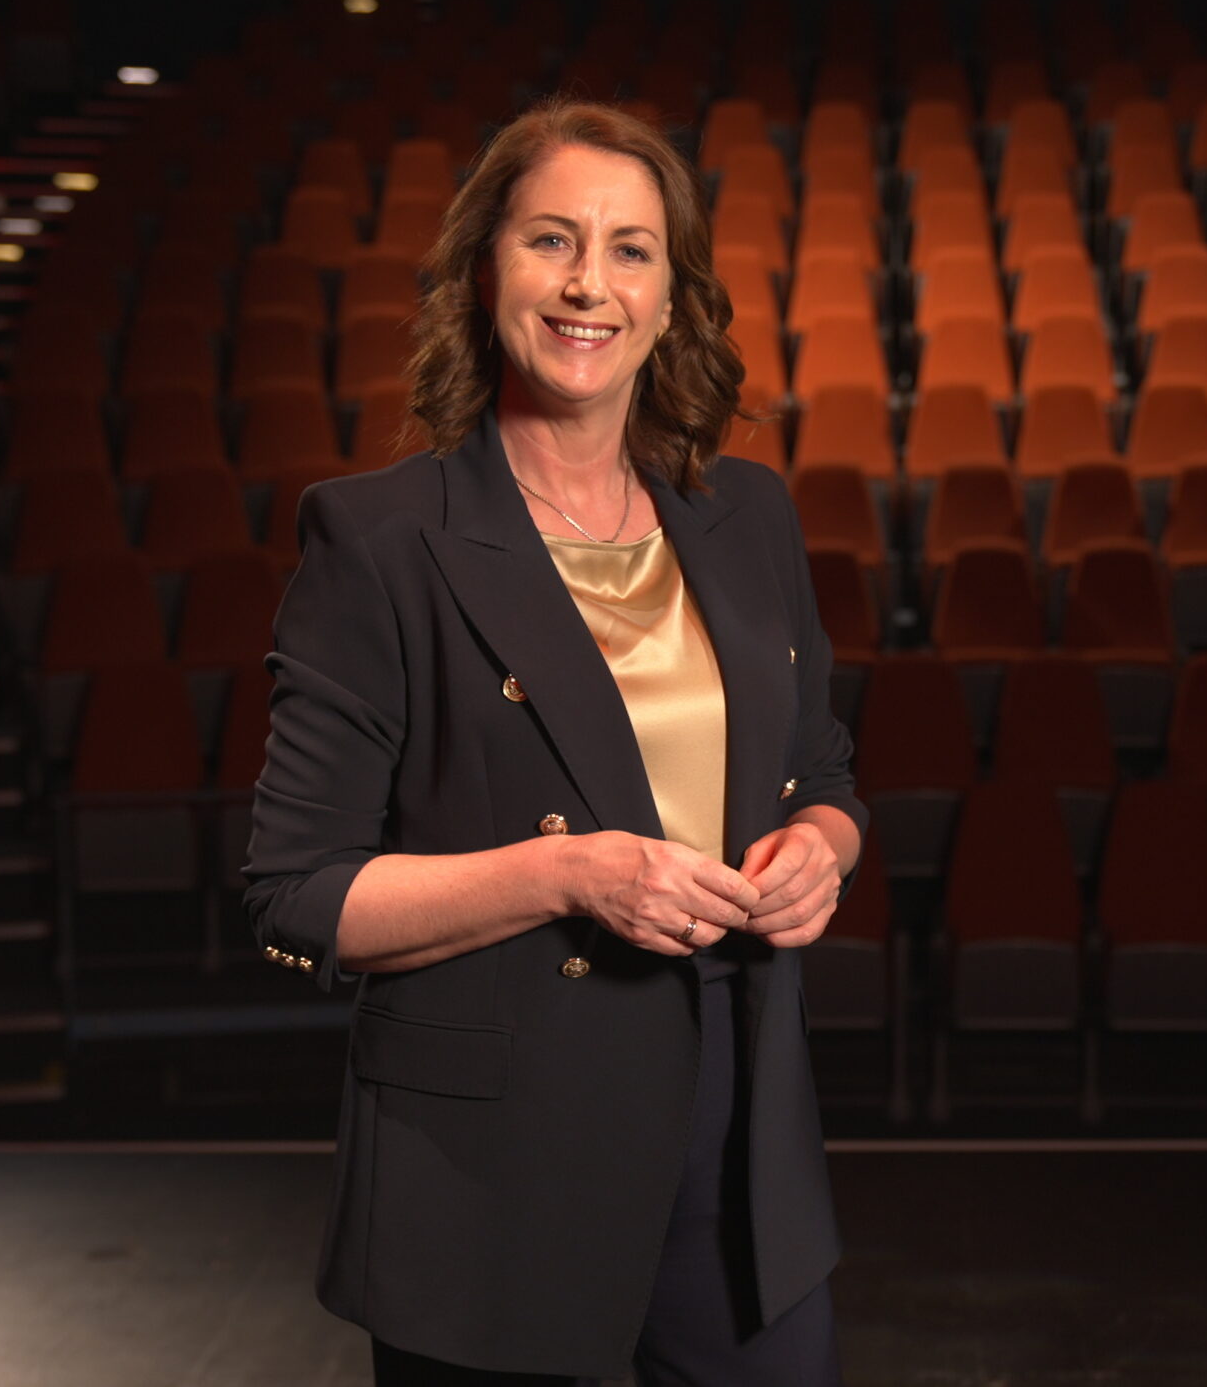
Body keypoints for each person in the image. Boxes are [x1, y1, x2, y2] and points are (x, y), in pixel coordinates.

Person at [241, 94, 867, 1386]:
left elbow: (828, 771)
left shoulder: (746, 513)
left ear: (673, 295)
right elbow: (296, 894)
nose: (592, 284)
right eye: (552, 241)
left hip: (739, 1132)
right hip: (498, 1167)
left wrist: (824, 845)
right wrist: (570, 872)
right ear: (485, 271)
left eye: (632, 249)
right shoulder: (379, 541)